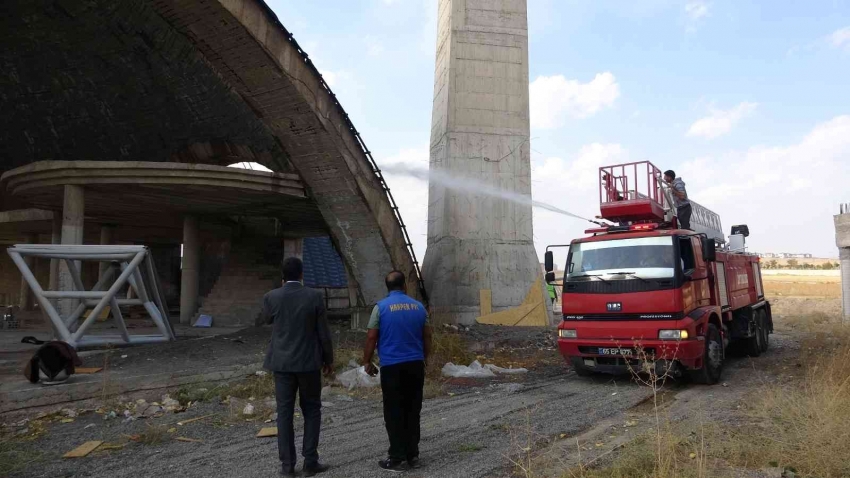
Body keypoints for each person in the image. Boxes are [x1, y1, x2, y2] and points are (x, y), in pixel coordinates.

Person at [262, 257, 333, 477]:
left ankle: (287, 467)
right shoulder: (314, 296)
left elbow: (267, 320)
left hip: (282, 364)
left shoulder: (271, 297)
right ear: (302, 274)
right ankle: (310, 462)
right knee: (312, 410)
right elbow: (323, 332)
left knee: (284, 413)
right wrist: (328, 359)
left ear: (282, 276)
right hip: (309, 363)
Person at [362, 271, 432, 472]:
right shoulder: (419, 308)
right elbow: (428, 336)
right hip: (415, 365)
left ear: (387, 287)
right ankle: (413, 456)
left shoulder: (380, 308)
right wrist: (425, 358)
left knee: (394, 412)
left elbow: (371, 337)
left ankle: (397, 458)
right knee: (413, 410)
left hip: (392, 366)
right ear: (405, 286)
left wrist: (367, 361)